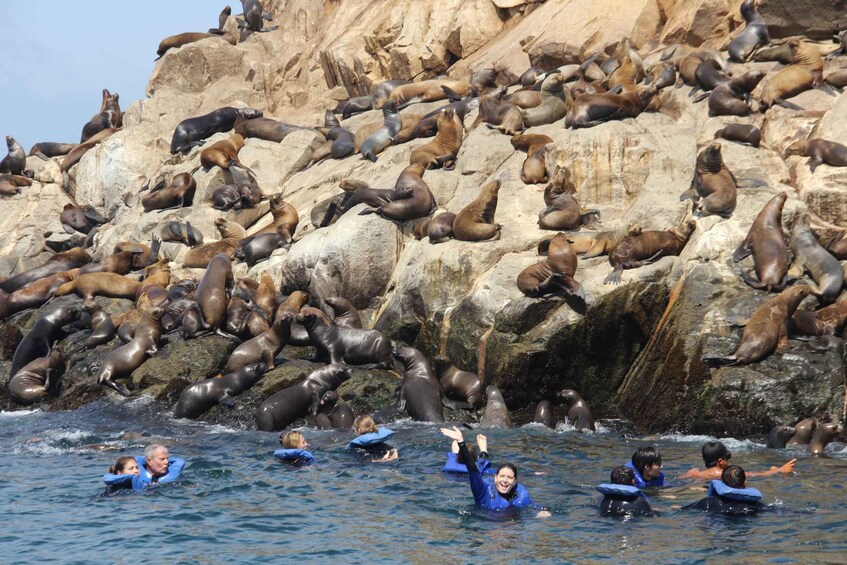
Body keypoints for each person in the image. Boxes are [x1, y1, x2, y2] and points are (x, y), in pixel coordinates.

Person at [440, 427, 550, 518]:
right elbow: (473, 470)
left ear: (515, 481)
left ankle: (481, 450)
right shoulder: (482, 491)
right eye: (502, 476)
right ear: (495, 477)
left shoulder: (519, 495)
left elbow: (536, 505)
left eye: (509, 477)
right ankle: (466, 448)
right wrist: (461, 442)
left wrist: (543, 511)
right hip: (485, 530)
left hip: (510, 530)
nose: (505, 480)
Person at [678, 441, 795, 480]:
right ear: (720, 461)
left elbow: (679, 478)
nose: (728, 460)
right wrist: (780, 470)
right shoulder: (727, 473)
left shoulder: (695, 473)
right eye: (727, 457)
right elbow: (758, 475)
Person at [683, 465, 766, 515]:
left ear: (721, 483)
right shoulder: (757, 505)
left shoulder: (708, 502)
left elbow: (684, 510)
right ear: (744, 483)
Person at [102, 444, 184, 493]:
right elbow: (107, 479)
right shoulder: (132, 478)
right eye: (162, 459)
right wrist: (132, 477)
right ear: (149, 461)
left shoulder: (171, 473)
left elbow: (180, 462)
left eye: (167, 459)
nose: (167, 462)